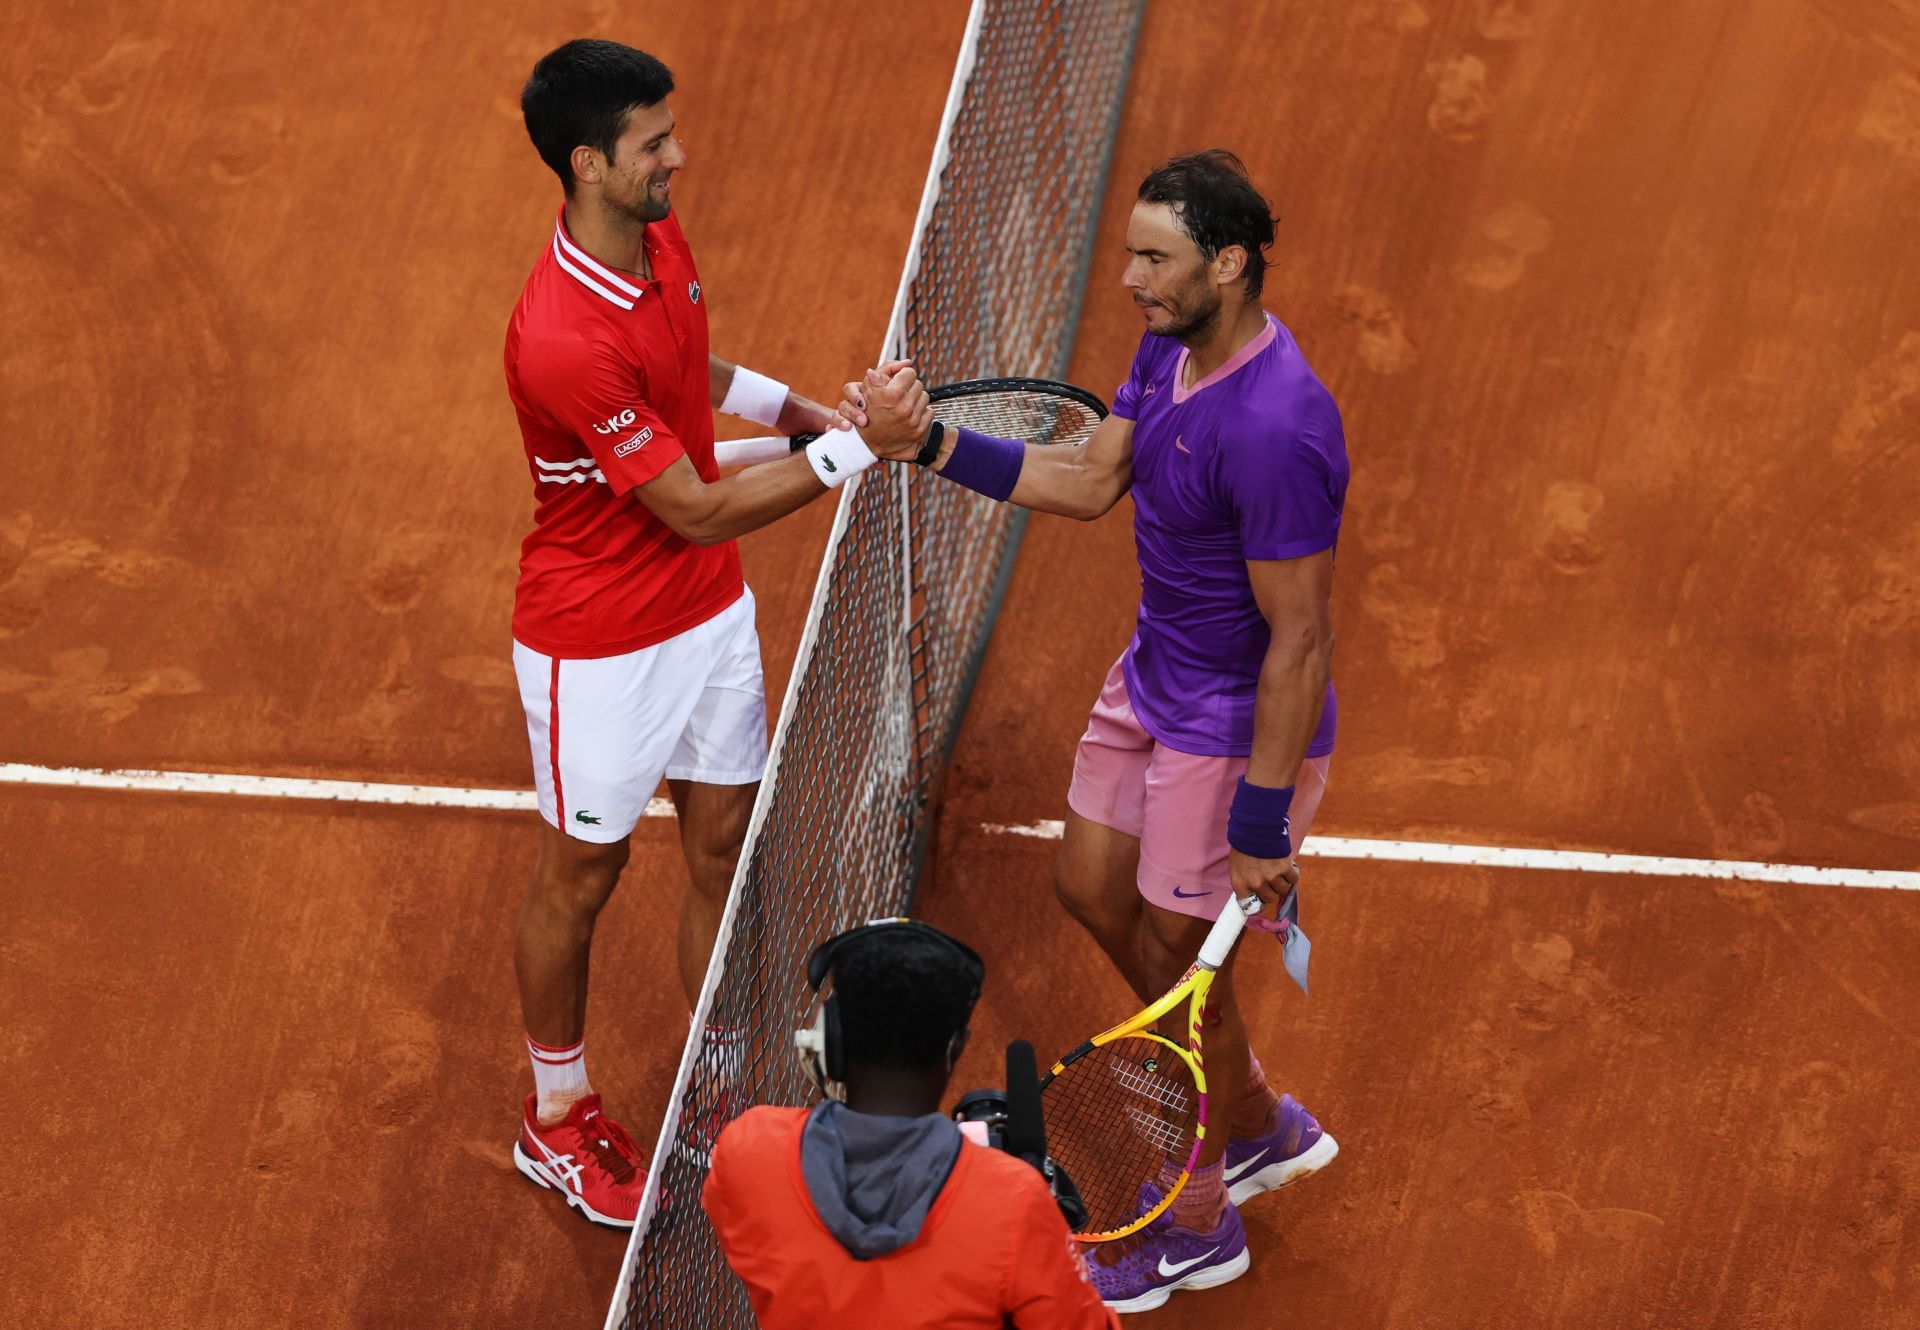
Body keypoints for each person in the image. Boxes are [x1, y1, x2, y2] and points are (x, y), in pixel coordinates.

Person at [845, 150, 1346, 1310]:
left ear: (1229, 263)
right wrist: (926, 446)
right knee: (1085, 884)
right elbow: (1091, 478)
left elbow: (1303, 639)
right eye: (1130, 252)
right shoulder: (1170, 342)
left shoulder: (1276, 427)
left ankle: (1200, 1217)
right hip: (1151, 676)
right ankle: (1256, 1113)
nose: (1130, 277)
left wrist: (1262, 821)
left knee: (1181, 975)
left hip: (1228, 727)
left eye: (1154, 258)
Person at [502, 38, 928, 1228]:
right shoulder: (559, 336)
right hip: (597, 648)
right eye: (653, 143)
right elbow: (688, 506)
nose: (675, 155)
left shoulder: (654, 234)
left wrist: (796, 411)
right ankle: (556, 1114)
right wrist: (851, 450)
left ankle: (713, 1089)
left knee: (721, 844)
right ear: (590, 163)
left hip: (705, 617)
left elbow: (694, 358)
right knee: (581, 876)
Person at [702, 919, 1119, 1329]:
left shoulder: (747, 1151)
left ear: (833, 1042)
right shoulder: (1016, 1203)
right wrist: (1043, 1236)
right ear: (956, 1049)